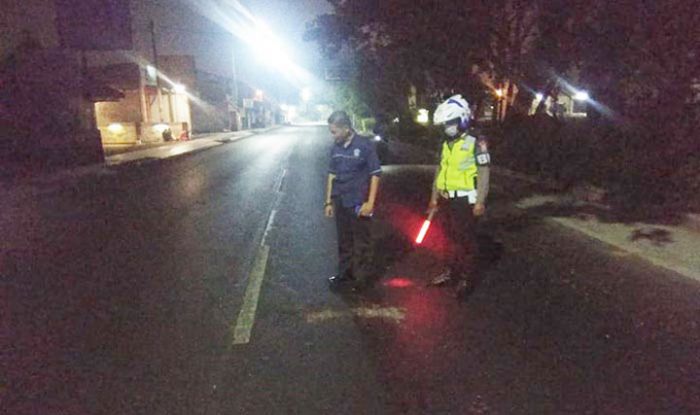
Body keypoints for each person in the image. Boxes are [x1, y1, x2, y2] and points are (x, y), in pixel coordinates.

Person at [427, 94, 491, 298]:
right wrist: (434, 197)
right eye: (445, 124)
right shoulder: (446, 143)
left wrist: (480, 201)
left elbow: (484, 171)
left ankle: (466, 279)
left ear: (462, 119)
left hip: (466, 200)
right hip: (446, 199)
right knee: (447, 239)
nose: (447, 127)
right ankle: (450, 272)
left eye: (450, 123)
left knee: (466, 241)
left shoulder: (476, 140)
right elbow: (440, 170)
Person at [325, 110, 382, 292]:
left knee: (362, 242)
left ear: (347, 129)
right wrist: (328, 201)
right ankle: (345, 275)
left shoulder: (364, 146)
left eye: (334, 131)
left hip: (359, 202)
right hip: (341, 200)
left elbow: (375, 174)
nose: (332, 135)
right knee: (344, 241)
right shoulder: (336, 147)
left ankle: (362, 281)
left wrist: (370, 202)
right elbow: (332, 174)